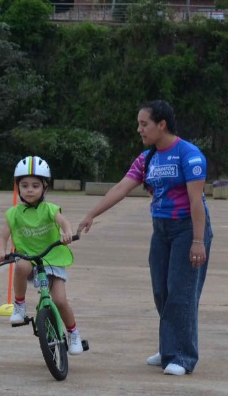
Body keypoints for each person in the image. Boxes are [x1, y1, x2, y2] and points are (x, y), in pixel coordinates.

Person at [77, 100, 211, 376]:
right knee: (162, 291)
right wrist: (92, 214)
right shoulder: (147, 158)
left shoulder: (190, 155)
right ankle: (169, 346)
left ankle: (183, 357)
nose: (139, 129)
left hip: (188, 229)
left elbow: (196, 202)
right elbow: (121, 188)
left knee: (181, 292)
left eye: (144, 124)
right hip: (161, 230)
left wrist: (198, 241)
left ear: (161, 125)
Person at [0, 156, 83, 354]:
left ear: (45, 187)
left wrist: (67, 233)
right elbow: (3, 237)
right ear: (17, 187)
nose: (30, 190)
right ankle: (19, 306)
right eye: (25, 185)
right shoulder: (12, 214)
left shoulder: (50, 209)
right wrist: (1, 252)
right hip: (29, 258)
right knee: (21, 265)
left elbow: (63, 222)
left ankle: (73, 333)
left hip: (52, 258)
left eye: (35, 185)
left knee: (60, 301)